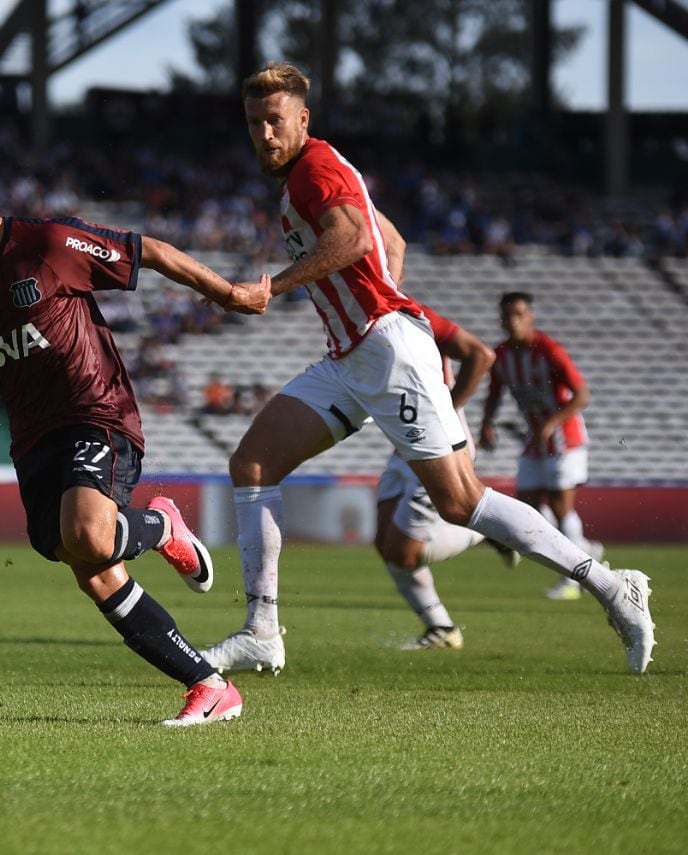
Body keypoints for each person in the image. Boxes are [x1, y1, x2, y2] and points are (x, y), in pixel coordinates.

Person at [200, 62, 654, 677]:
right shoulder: (314, 173)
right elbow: (390, 243)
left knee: (461, 501)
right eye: (254, 124)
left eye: (275, 122)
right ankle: (261, 631)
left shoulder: (313, 171)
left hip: (385, 351)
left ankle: (610, 586)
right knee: (252, 463)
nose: (264, 135)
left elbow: (356, 240)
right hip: (354, 354)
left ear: (302, 119)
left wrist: (272, 288)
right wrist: (378, 298)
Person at [0, 142, 264, 726]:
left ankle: (159, 525)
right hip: (31, 440)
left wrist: (226, 293)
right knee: (83, 562)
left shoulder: (47, 245)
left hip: (95, 410)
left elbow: (144, 251)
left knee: (91, 536)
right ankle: (208, 685)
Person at [374, 303, 515, 650]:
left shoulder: (408, 312)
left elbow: (481, 356)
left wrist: (443, 416)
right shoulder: (356, 315)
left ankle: (487, 530)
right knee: (384, 542)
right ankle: (441, 628)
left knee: (405, 552)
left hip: (436, 445)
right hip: (402, 444)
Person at [479, 292, 602, 601]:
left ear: (530, 316)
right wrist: (486, 423)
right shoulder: (502, 355)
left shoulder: (549, 350)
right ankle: (585, 549)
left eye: (520, 314)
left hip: (566, 438)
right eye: (508, 315)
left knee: (561, 507)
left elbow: (582, 394)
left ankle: (573, 580)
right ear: (501, 320)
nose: (514, 320)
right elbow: (494, 393)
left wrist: (553, 421)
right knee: (529, 507)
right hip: (534, 440)